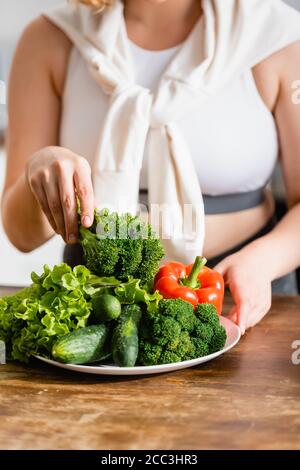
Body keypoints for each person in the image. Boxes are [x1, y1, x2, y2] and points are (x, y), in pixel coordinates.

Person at [2, 0, 300, 334]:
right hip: (98, 304)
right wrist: (39, 171)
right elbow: (21, 235)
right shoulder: (49, 38)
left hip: (240, 295)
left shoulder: (276, 36)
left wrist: (262, 261)